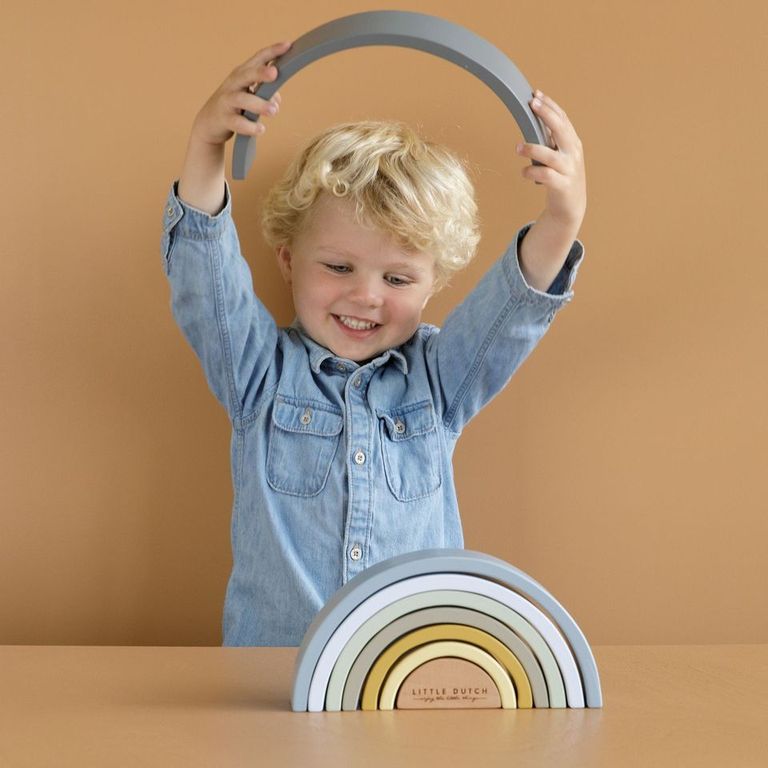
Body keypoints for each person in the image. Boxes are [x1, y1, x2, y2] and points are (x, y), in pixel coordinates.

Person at [160, 42, 587, 646]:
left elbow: (512, 310)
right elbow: (205, 279)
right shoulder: (258, 373)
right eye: (337, 267)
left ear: (432, 283)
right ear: (288, 260)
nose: (365, 297)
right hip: (272, 679)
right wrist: (207, 146)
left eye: (397, 279)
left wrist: (563, 218)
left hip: (412, 675)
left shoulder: (440, 381)